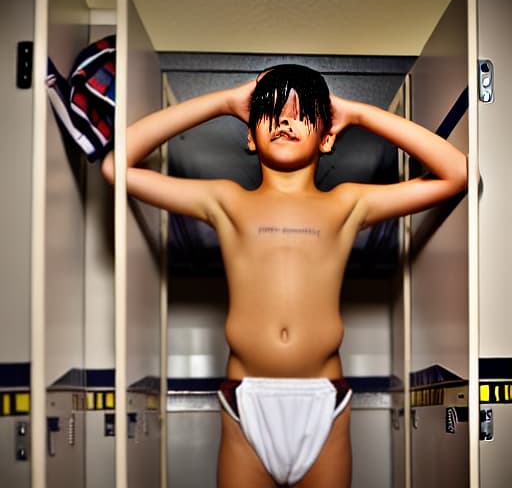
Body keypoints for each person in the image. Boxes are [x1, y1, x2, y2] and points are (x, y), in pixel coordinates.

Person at [101, 64, 467, 488]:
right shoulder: (227, 201)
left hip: (324, 400)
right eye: (271, 111)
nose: (286, 119)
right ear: (250, 135)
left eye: (303, 110)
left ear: (327, 136)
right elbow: (116, 167)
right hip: (246, 399)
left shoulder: (348, 204)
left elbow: (456, 173)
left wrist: (355, 114)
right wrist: (224, 102)